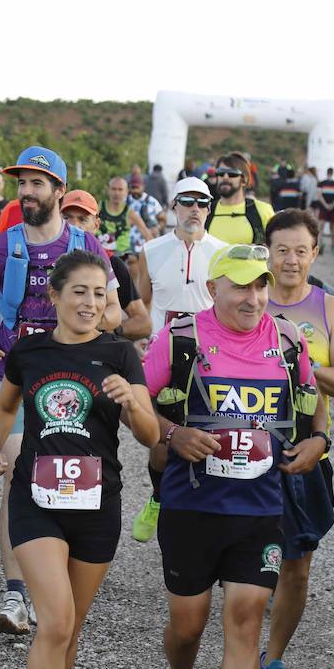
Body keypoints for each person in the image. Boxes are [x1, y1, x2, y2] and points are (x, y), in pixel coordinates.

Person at [144, 244, 327, 669]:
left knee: (246, 618)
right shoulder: (182, 339)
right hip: (192, 506)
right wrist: (174, 434)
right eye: (241, 286)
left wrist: (318, 440)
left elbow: (314, 398)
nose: (253, 297)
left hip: (260, 507)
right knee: (189, 626)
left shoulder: (289, 340)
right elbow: (136, 401)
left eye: (261, 285)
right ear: (214, 288)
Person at [0, 250, 159, 669]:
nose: (90, 302)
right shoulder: (30, 351)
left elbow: (152, 437)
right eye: (78, 291)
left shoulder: (120, 354)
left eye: (99, 293)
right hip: (36, 501)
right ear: (54, 297)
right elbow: (6, 405)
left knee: (70, 630)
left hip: (97, 505)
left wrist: (133, 402)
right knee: (54, 622)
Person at [0, 146, 122, 636]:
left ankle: (53, 581)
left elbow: (116, 312)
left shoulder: (86, 247)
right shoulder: (1, 247)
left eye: (37, 183)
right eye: (21, 184)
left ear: (59, 190)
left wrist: (91, 323)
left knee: (59, 481)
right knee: (17, 467)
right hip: (14, 379)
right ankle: (16, 598)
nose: (27, 193)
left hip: (72, 380)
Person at [258, 209, 334, 669]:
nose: (291, 260)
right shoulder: (247, 297)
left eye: (301, 250)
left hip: (304, 447)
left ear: (315, 253)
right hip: (246, 445)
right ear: (267, 252)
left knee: (297, 568)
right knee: (248, 564)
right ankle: (232, 659)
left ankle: (271, 660)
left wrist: (300, 361)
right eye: (282, 250)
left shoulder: (329, 308)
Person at [128, 177, 226, 543]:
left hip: (208, 362)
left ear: (210, 207)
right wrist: (141, 341)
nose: (195, 209)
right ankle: (157, 498)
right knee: (160, 448)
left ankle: (204, 516)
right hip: (163, 357)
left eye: (202, 202)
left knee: (210, 440)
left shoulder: (223, 251)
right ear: (174, 207)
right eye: (187, 202)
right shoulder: (151, 250)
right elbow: (143, 305)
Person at [60, 190, 151, 339]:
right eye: (67, 218)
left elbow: (144, 324)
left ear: (96, 225)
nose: (74, 226)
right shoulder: (42, 259)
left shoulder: (112, 264)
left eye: (83, 220)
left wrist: (109, 330)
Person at [204, 153, 276, 246]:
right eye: (220, 173)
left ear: (244, 180)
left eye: (232, 174)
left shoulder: (262, 210)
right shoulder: (206, 211)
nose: (225, 177)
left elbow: (278, 247)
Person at [97, 177, 153, 266]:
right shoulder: (98, 208)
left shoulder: (129, 213)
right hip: (99, 256)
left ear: (126, 192)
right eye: (113, 189)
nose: (116, 193)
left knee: (133, 264)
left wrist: (143, 256)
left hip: (122, 259)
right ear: (108, 190)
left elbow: (148, 236)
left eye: (120, 190)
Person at [315, 169, 334, 250]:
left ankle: (323, 244)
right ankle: (330, 245)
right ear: (332, 173)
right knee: (330, 227)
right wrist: (331, 205)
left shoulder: (321, 184)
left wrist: (326, 205)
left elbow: (319, 196)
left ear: (327, 173)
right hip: (331, 208)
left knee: (323, 226)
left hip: (325, 208)